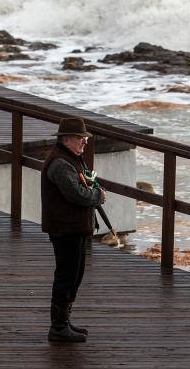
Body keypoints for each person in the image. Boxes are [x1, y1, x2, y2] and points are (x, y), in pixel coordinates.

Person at [41, 117, 106, 343]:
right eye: (80, 139)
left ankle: (64, 322)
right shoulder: (60, 163)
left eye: (85, 139)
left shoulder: (70, 158)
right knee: (67, 276)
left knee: (75, 275)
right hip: (64, 228)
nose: (84, 143)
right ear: (66, 139)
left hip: (73, 227)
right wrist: (98, 195)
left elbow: (81, 186)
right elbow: (76, 194)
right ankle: (58, 327)